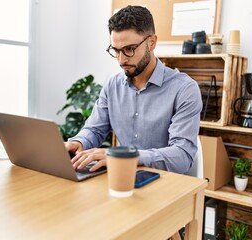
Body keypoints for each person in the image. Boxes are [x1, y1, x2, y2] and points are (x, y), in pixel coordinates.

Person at [65, 5, 202, 174]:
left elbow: (181, 156)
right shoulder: (112, 85)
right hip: (122, 177)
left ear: (151, 42)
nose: (121, 60)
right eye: (116, 51)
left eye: (129, 49)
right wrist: (79, 142)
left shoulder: (184, 89)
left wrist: (126, 156)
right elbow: (94, 129)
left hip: (165, 184)